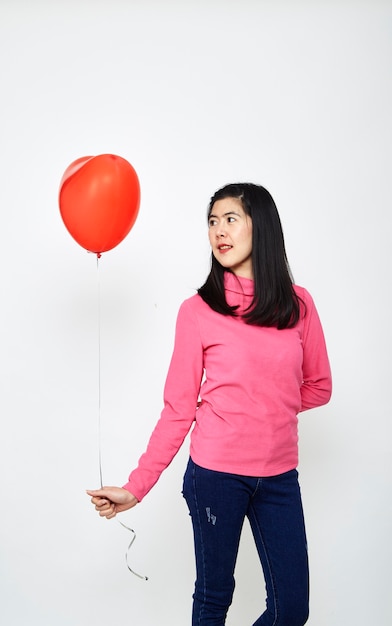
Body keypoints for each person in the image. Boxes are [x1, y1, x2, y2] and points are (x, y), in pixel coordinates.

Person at [87, 182, 332, 626]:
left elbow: (319, 385)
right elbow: (178, 409)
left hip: (279, 477)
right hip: (216, 476)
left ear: (263, 227)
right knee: (214, 599)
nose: (219, 230)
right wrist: (136, 487)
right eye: (213, 221)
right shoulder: (197, 311)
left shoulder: (299, 304)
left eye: (230, 219)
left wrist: (263, 406)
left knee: (291, 609)